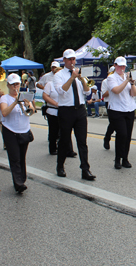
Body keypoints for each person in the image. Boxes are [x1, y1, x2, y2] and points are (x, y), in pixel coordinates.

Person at [53, 49, 96, 180]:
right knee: (65, 141)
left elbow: (88, 92)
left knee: (82, 141)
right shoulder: (59, 75)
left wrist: (82, 79)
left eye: (73, 59)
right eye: (69, 59)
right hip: (66, 110)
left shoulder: (79, 75)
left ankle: (85, 170)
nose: (72, 62)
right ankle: (60, 166)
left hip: (80, 110)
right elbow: (61, 91)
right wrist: (72, 77)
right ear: (64, 60)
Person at [0, 73, 35, 193]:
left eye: (17, 84)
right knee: (14, 158)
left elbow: (32, 111)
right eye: (13, 85)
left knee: (22, 157)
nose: (16, 87)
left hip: (24, 130)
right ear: (8, 85)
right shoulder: (5, 98)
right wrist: (15, 102)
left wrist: (26, 104)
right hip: (10, 131)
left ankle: (22, 179)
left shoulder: (25, 96)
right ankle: (18, 183)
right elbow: (4, 113)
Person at [107, 56, 136, 169]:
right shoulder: (111, 78)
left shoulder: (127, 77)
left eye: (123, 66)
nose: (122, 68)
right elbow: (116, 90)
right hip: (116, 109)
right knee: (122, 134)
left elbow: (134, 93)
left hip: (129, 109)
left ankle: (125, 158)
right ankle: (118, 159)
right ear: (115, 66)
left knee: (128, 135)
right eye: (119, 66)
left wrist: (133, 83)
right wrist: (126, 81)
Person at [42, 67, 76, 157]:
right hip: (53, 110)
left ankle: (69, 150)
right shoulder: (50, 84)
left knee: (66, 131)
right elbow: (45, 96)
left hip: (65, 110)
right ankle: (53, 148)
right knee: (54, 131)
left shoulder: (66, 83)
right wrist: (56, 103)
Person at [103, 66, 115, 150]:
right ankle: (107, 138)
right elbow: (104, 94)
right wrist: (111, 87)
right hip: (109, 102)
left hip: (119, 102)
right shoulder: (105, 81)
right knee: (113, 123)